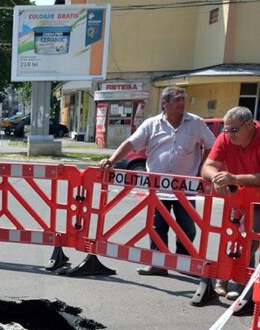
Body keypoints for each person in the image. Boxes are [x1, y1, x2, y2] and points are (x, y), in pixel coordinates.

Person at [99, 86, 216, 276]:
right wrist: (111, 160)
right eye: (177, 99)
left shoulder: (196, 123)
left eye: (183, 99)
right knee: (157, 227)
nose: (181, 103)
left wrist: (203, 168)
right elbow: (131, 143)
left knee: (187, 228)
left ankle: (183, 261)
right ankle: (157, 264)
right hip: (157, 188)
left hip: (185, 188)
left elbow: (212, 146)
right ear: (165, 103)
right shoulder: (151, 124)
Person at [201, 106, 260, 300]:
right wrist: (217, 177)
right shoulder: (226, 137)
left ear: (250, 125)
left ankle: (243, 284)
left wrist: (234, 178)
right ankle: (224, 278)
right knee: (230, 237)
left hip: (257, 199)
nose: (228, 134)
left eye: (233, 130)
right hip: (237, 197)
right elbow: (208, 167)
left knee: (249, 241)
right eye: (226, 129)